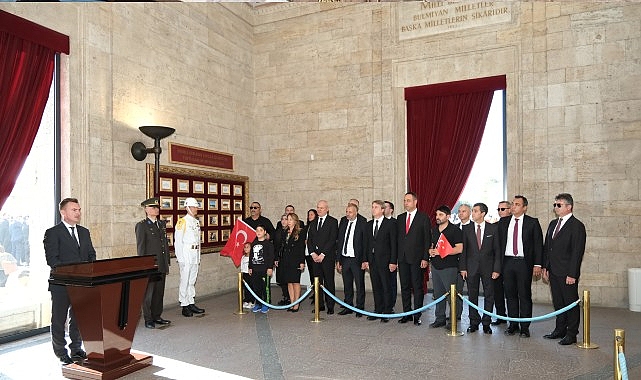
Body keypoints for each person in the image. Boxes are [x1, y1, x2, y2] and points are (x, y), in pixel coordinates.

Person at [43, 198, 96, 365]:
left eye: (79, 209)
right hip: (61, 284)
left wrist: (88, 270)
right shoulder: (52, 233)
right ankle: (60, 352)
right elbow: (53, 260)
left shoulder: (84, 231)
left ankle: (76, 349)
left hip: (82, 284)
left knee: (78, 318)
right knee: (59, 319)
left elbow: (91, 255)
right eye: (74, 210)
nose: (78, 213)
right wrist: (77, 270)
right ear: (63, 212)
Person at [542, 193, 586, 346]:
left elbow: (577, 252)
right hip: (553, 271)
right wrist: (545, 267)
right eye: (554, 205)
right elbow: (548, 248)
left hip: (567, 273)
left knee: (571, 303)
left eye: (559, 205)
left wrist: (572, 274)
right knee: (558, 302)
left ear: (569, 207)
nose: (555, 208)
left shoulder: (577, 226)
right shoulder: (553, 224)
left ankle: (572, 333)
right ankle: (559, 329)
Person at [498, 195, 543, 338]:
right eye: (512, 204)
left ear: (524, 207)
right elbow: (498, 244)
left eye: (517, 204)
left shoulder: (532, 222)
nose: (513, 206)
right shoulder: (503, 222)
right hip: (508, 262)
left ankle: (525, 327)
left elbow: (538, 245)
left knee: (524, 294)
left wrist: (538, 264)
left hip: (524, 262)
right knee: (510, 294)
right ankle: (512, 324)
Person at [459, 203, 501, 334]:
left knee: (489, 295)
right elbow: (464, 250)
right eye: (472, 211)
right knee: (472, 295)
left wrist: (497, 269)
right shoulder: (467, 229)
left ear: (483, 213)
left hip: (488, 268)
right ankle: (473, 322)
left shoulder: (492, 229)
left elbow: (497, 250)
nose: (473, 213)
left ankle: (487, 323)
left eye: (476, 211)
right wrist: (463, 268)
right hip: (471, 268)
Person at [135, 197, 171, 329]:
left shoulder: (161, 224)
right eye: (152, 207)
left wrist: (166, 261)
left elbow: (164, 245)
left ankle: (157, 316)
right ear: (146, 209)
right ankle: (148, 319)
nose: (156, 209)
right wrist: (143, 265)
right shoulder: (142, 226)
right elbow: (141, 247)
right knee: (148, 293)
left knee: (159, 292)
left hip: (161, 264)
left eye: (157, 207)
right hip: (150, 265)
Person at [396, 192, 431, 326]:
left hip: (417, 259)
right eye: (404, 200)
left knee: (417, 287)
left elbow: (427, 240)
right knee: (405, 286)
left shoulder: (423, 218)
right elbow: (398, 239)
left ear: (415, 202)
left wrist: (425, 258)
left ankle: (417, 314)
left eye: (408, 200)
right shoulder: (400, 218)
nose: (406, 203)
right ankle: (407, 313)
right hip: (403, 258)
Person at [428, 205, 463, 329]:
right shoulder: (434, 229)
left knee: (451, 295)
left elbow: (459, 248)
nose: (438, 217)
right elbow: (432, 245)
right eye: (437, 215)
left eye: (441, 215)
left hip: (449, 267)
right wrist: (431, 251)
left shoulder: (455, 230)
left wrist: (442, 252)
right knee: (438, 294)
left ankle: (453, 321)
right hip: (436, 267)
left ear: (448, 216)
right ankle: (440, 318)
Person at [363, 200, 397, 322]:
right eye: (372, 207)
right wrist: (365, 260)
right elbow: (366, 244)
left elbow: (394, 244)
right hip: (372, 261)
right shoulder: (369, 224)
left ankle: (387, 311)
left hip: (385, 261)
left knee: (386, 286)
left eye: (376, 207)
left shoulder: (390, 224)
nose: (373, 209)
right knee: (376, 286)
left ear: (382, 210)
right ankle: (378, 310)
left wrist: (393, 261)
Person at [306, 200, 338, 314]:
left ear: (327, 209)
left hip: (327, 257)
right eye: (318, 208)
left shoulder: (333, 222)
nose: (319, 210)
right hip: (315, 258)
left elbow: (332, 239)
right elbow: (309, 239)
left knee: (329, 282)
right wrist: (313, 253)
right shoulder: (313, 222)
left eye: (322, 208)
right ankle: (319, 305)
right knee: (317, 282)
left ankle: (330, 306)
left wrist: (323, 254)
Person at [174, 197, 205, 317]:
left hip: (194, 254)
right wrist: (180, 258)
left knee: (192, 280)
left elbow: (198, 241)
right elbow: (178, 242)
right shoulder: (182, 222)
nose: (196, 209)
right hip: (186, 253)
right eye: (194, 207)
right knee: (185, 280)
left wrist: (198, 257)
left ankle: (191, 302)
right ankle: (184, 304)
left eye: (196, 207)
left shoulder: (196, 222)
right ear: (188, 208)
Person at [336, 203, 367, 317]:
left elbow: (365, 243)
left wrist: (364, 260)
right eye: (346, 211)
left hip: (356, 259)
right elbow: (339, 241)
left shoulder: (363, 223)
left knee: (359, 284)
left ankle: (360, 307)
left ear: (356, 212)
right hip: (345, 258)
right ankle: (348, 306)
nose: (347, 214)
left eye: (350, 212)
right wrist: (338, 259)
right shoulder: (343, 221)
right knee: (347, 284)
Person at [491, 200, 512, 325]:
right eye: (498, 209)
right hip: (496, 264)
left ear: (510, 210)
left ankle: (514, 319)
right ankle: (501, 316)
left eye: (503, 209)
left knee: (511, 293)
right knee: (497, 292)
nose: (500, 211)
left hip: (510, 263)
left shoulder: (515, 225)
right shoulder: (495, 226)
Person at [279, 213, 306, 312]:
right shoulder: (285, 232)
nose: (288, 221)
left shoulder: (299, 232)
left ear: (295, 221)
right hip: (286, 260)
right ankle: (292, 302)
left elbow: (301, 248)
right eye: (287, 219)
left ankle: (297, 303)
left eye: (290, 219)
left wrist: (302, 262)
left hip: (295, 260)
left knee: (295, 281)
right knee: (289, 282)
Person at [250, 225, 275, 313]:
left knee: (265, 288)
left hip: (265, 269)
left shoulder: (268, 244)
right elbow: (251, 256)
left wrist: (269, 268)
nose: (258, 232)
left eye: (261, 230)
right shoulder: (253, 243)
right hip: (255, 269)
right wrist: (250, 267)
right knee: (257, 287)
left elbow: (271, 257)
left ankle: (266, 303)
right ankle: (258, 303)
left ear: (265, 232)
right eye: (257, 230)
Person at [384, 200, 398, 310]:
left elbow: (395, 243)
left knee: (391, 283)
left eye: (386, 207)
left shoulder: (395, 223)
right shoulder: (378, 223)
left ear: (391, 210)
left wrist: (394, 260)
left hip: (390, 259)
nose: (383, 209)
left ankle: (390, 305)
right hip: (379, 260)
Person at [274, 214, 291, 306]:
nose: (284, 221)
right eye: (282, 219)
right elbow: (276, 246)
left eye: (286, 219)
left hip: (288, 259)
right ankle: (285, 296)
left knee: (288, 279)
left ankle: (290, 297)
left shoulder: (291, 232)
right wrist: (275, 258)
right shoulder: (278, 231)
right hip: (279, 258)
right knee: (281, 279)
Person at [304, 209, 318, 301]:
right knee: (311, 274)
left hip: (314, 253)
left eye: (312, 214)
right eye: (309, 214)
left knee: (315, 274)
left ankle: (318, 294)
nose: (310, 216)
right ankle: (314, 291)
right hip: (307, 253)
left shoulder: (317, 226)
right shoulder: (306, 227)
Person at [241, 242, 254, 309]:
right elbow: (242, 267)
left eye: (247, 247)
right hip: (245, 274)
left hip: (250, 274)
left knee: (251, 288)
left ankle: (251, 301)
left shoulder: (252, 257)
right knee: (246, 289)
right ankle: (246, 300)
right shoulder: (243, 257)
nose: (245, 248)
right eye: (245, 247)